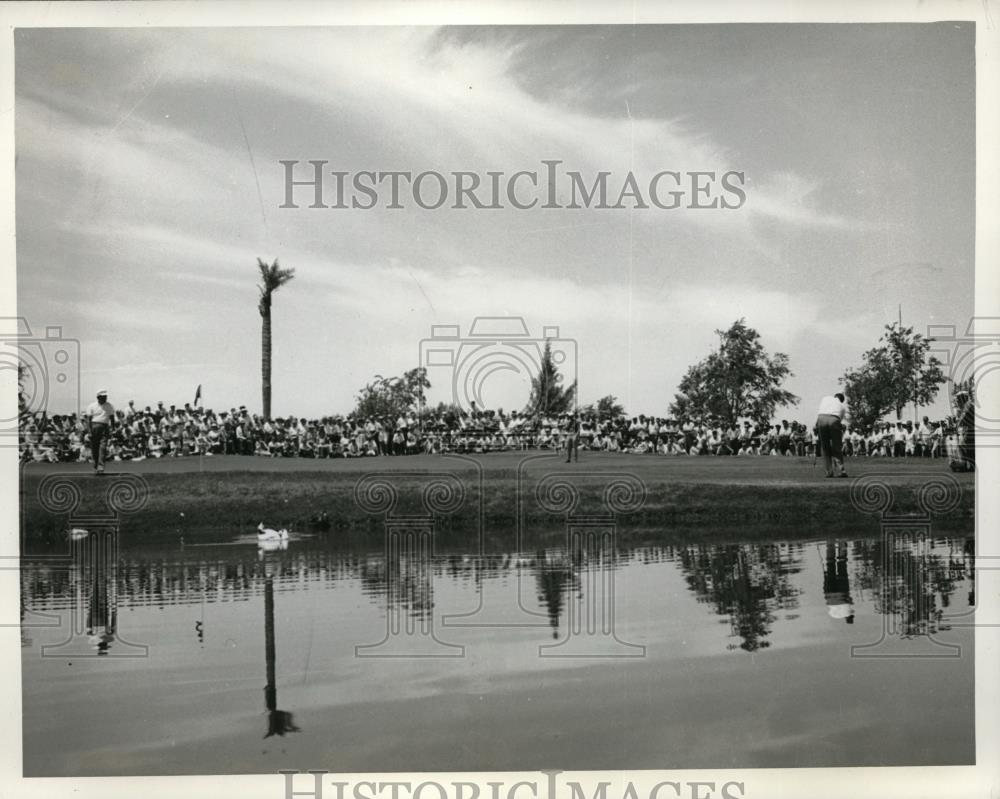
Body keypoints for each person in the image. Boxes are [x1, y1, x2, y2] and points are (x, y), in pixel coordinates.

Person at [815, 392, 849, 478]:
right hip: (834, 419)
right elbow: (838, 421)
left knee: (825, 447)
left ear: (835, 397)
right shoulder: (842, 407)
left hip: (821, 418)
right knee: (836, 446)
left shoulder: (825, 398)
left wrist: (817, 425)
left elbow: (820, 411)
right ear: (841, 400)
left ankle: (829, 472)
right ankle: (841, 471)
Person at [84, 390, 115, 474]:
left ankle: (100, 467)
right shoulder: (92, 406)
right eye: (103, 397)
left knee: (103, 448)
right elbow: (88, 420)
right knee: (94, 448)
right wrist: (89, 431)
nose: (105, 398)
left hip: (104, 427)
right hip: (94, 426)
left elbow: (112, 418)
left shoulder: (109, 405)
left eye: (105, 396)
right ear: (98, 397)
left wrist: (113, 428)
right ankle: (95, 466)